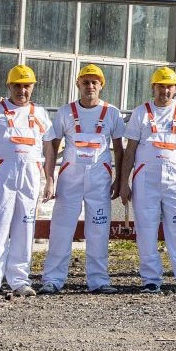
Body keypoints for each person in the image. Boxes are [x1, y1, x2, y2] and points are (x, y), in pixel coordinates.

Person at [118, 66, 176, 293]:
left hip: (175, 179)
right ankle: (151, 280)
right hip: (145, 179)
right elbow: (130, 150)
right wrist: (124, 182)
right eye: (160, 86)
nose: (164, 91)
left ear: (175, 88)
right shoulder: (141, 113)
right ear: (153, 87)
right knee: (146, 230)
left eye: (169, 86)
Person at [40, 64, 121, 294]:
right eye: (86, 82)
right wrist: (49, 178)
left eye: (95, 82)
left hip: (99, 182)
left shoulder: (111, 113)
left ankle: (99, 280)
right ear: (78, 84)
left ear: (101, 85)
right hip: (70, 182)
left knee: (98, 230)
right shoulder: (65, 112)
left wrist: (119, 179)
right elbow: (52, 145)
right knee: (61, 230)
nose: (90, 86)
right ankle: (53, 279)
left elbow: (120, 149)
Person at [0, 64, 54, 298]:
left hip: (30, 175)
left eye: (26, 86)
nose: (22, 90)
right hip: (2, 174)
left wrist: (49, 180)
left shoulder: (39, 113)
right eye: (17, 86)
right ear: (9, 86)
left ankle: (19, 280)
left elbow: (49, 147)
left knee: (25, 228)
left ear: (33, 87)